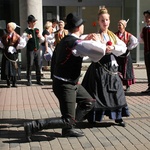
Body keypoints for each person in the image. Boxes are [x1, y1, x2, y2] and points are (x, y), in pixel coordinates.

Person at [24, 12, 108, 141]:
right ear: (79, 27)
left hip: (68, 82)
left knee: (88, 102)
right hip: (65, 85)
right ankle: (34, 126)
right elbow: (99, 51)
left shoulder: (67, 40)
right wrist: (99, 42)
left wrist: (87, 39)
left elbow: (80, 51)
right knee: (67, 118)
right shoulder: (76, 43)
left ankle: (68, 128)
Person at [82, 7, 130, 127]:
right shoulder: (95, 36)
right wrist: (103, 47)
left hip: (111, 67)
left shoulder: (112, 36)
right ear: (98, 21)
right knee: (98, 93)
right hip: (99, 67)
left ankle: (118, 117)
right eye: (102, 20)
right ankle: (93, 117)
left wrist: (113, 48)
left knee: (117, 91)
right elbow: (87, 46)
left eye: (107, 20)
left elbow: (123, 47)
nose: (105, 22)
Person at [115, 19, 139, 92]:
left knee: (126, 70)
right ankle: (118, 85)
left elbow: (135, 42)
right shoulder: (115, 35)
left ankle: (127, 85)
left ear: (124, 26)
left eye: (121, 24)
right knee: (118, 70)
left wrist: (128, 48)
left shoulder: (128, 35)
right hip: (118, 55)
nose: (119, 26)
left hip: (126, 56)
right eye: (118, 24)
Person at [0, 22, 26, 87]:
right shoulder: (4, 36)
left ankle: (14, 82)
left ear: (13, 28)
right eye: (7, 27)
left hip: (13, 54)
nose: (8, 28)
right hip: (6, 54)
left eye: (9, 27)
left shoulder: (17, 36)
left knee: (14, 68)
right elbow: (1, 43)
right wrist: (5, 47)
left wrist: (16, 47)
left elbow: (23, 44)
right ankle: (8, 82)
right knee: (7, 68)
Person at [23, 15, 45, 86]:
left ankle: (38, 80)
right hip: (30, 50)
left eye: (35, 21)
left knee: (38, 65)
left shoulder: (37, 30)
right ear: (29, 22)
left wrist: (40, 37)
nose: (34, 23)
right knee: (30, 65)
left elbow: (42, 40)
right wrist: (27, 38)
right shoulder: (26, 31)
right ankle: (29, 80)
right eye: (33, 21)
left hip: (37, 50)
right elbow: (22, 42)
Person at [140, 10, 150, 93]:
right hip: (146, 52)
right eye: (145, 17)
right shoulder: (144, 28)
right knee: (148, 69)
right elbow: (142, 39)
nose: (147, 19)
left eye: (148, 17)